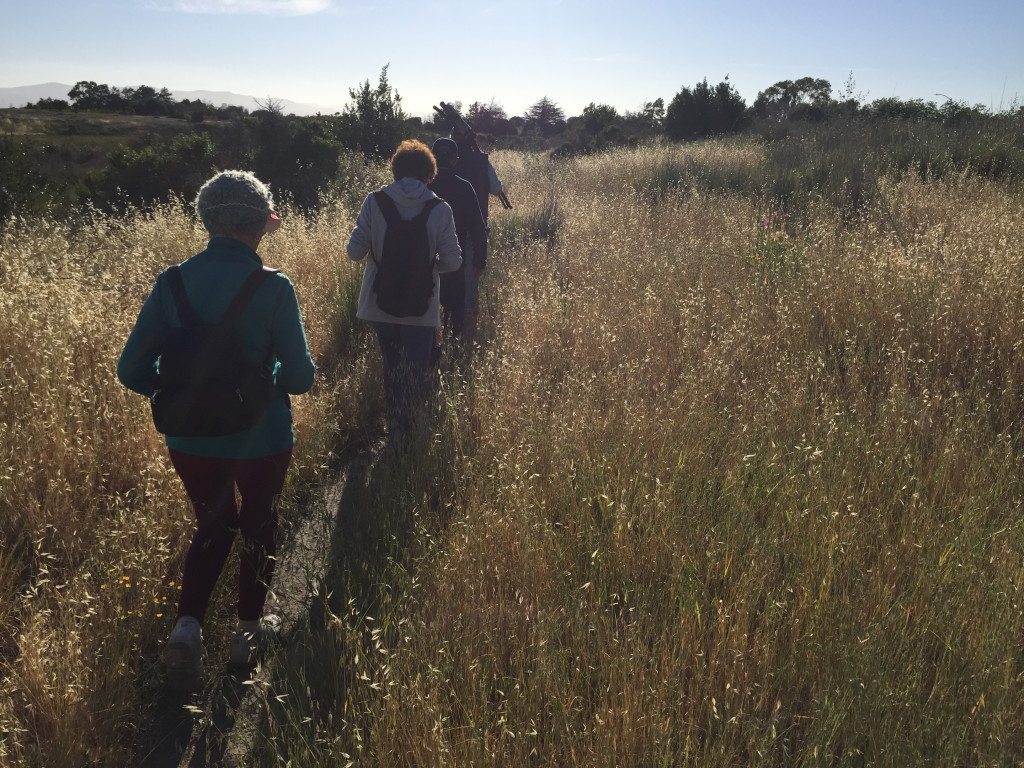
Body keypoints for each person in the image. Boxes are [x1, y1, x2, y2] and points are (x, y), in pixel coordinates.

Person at [117, 170, 315, 687]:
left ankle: (187, 630)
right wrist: (264, 378)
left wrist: (181, 392)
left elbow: (130, 371)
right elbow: (300, 378)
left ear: (206, 219)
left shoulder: (172, 282)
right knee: (260, 524)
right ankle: (247, 636)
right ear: (260, 225)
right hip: (262, 435)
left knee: (213, 522)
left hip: (189, 437)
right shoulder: (273, 287)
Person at [346, 139, 461, 435]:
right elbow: (453, 261)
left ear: (396, 169)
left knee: (392, 364)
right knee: (416, 370)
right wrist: (426, 270)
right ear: (430, 173)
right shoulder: (440, 209)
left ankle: (395, 423)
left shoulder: (374, 201)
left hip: (379, 303)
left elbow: (354, 252)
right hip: (422, 307)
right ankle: (409, 432)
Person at [428, 137, 487, 338]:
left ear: (432, 158)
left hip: (424, 260)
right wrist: (480, 260)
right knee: (455, 307)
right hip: (456, 258)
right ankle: (453, 347)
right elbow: (478, 227)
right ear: (456, 160)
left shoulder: (423, 186)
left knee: (428, 307)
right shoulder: (464, 187)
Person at [450, 126, 504, 337]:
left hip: (446, 227)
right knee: (471, 274)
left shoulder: (442, 161)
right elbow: (497, 188)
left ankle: (450, 318)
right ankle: (468, 320)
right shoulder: (482, 161)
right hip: (475, 227)